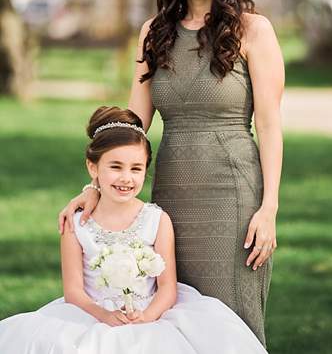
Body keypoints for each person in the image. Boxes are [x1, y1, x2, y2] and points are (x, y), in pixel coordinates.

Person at [58, 0, 284, 345]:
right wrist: (92, 188)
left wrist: (269, 207)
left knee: (230, 319)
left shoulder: (253, 30)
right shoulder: (154, 33)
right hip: (171, 192)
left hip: (232, 195)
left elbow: (271, 125)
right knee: (170, 313)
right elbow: (133, 125)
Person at [0, 106, 266, 353]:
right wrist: (104, 316)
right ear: (92, 167)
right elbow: (74, 292)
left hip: (149, 314)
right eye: (115, 167)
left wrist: (147, 317)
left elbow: (167, 288)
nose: (126, 177)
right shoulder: (76, 224)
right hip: (92, 315)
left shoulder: (156, 220)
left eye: (136, 169)